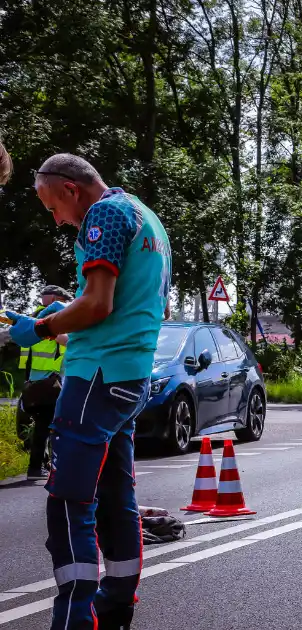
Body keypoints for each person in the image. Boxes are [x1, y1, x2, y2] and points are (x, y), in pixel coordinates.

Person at [5, 153, 172, 630]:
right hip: (128, 376)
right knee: (116, 493)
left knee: (69, 500)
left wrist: (39, 327)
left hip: (95, 380)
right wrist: (52, 329)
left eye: (51, 205)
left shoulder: (103, 215)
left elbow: (97, 303)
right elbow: (119, 314)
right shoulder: (145, 216)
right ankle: (117, 603)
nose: (56, 219)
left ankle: (76, 618)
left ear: (71, 189)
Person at [18, 285, 73, 480]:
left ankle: (43, 464)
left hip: (33, 382)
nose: (66, 304)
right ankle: (38, 468)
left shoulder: (31, 318)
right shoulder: (51, 319)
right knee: (50, 425)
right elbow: (65, 341)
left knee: (43, 424)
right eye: (64, 300)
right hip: (50, 382)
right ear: (55, 298)